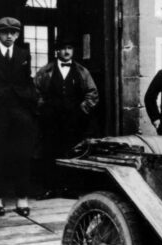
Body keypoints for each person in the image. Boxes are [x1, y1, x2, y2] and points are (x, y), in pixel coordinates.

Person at [34, 36, 99, 198]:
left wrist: (83, 109)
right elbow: (35, 91)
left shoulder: (82, 71)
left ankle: (71, 188)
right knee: (50, 151)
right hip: (51, 120)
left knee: (72, 151)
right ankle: (50, 188)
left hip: (74, 120)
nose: (66, 51)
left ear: (73, 50)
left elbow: (92, 93)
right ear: (57, 51)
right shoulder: (45, 71)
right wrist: (44, 108)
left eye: (69, 48)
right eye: (63, 48)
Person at [0, 17, 38, 217]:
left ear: (18, 34)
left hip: (19, 111)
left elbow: (27, 80)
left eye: (13, 33)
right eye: (5, 32)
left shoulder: (23, 54)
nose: (9, 36)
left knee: (22, 154)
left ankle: (22, 197)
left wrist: (30, 99)